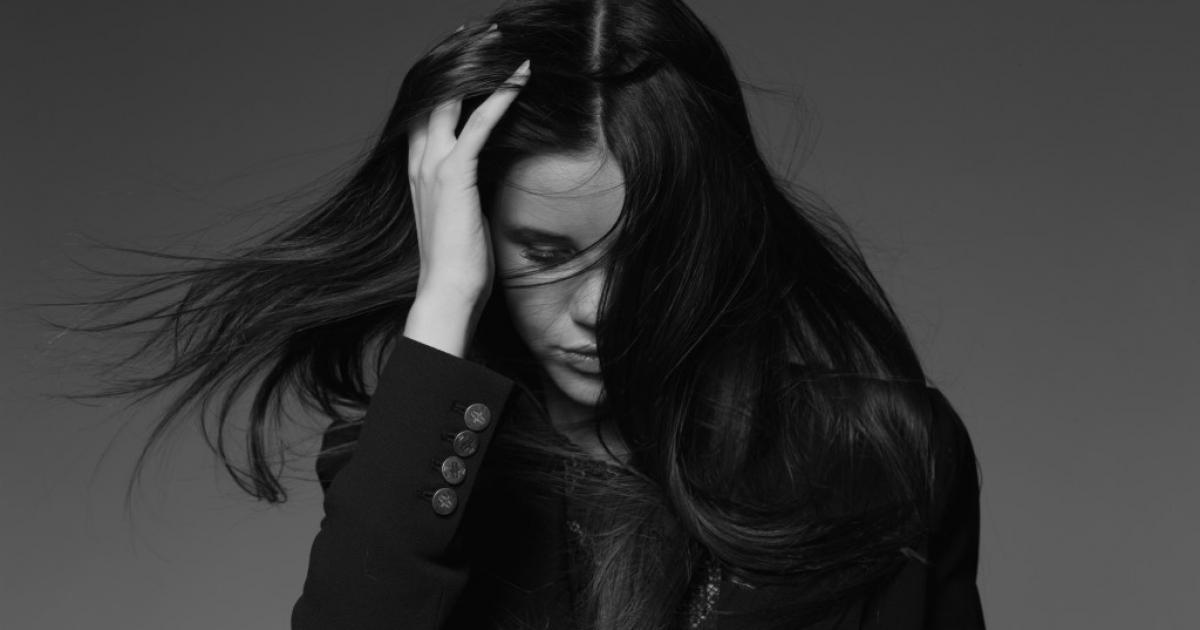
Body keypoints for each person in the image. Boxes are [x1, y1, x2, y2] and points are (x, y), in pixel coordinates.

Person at [57, 0, 985, 628]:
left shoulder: (890, 454)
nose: (598, 313)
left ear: (712, 240)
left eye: (648, 260)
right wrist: (444, 296)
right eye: (545, 252)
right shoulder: (418, 465)